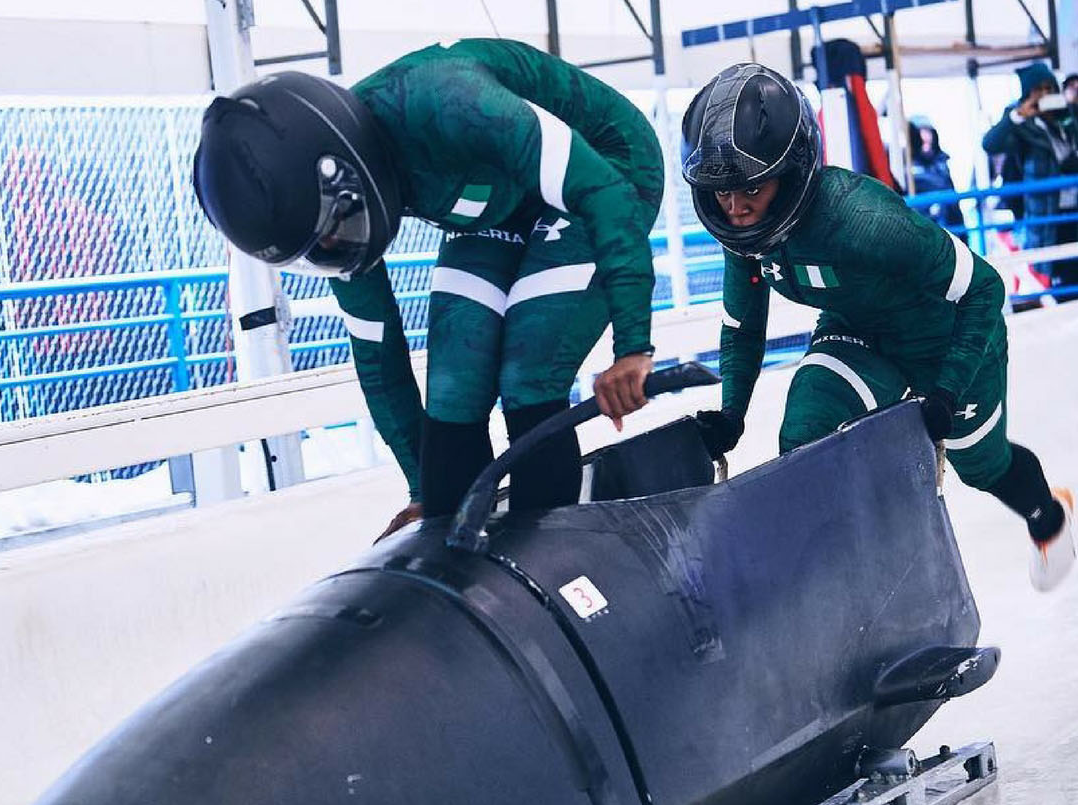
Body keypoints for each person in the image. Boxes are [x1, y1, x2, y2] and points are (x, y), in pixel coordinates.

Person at [193, 39, 663, 538]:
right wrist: (427, 492)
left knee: (529, 372)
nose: (335, 247)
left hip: (605, 169)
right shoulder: (334, 207)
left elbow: (604, 192)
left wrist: (632, 345)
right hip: (495, 200)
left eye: (336, 227)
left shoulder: (453, 104)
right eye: (316, 248)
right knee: (454, 384)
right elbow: (379, 355)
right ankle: (461, 554)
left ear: (342, 169)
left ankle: (550, 551)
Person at [672, 62, 1074, 591]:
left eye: (749, 186)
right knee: (804, 431)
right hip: (857, 332)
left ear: (792, 171)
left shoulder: (863, 220)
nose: (735, 206)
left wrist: (949, 387)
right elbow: (744, 325)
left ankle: (1050, 514)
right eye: (721, 190)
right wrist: (731, 414)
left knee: (984, 467)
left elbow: (985, 289)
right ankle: (837, 588)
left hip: (946, 339)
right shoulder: (741, 234)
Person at [982, 62, 1078, 297]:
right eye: (1039, 90)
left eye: (1049, 89)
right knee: (1059, 278)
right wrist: (1018, 114)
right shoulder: (1022, 126)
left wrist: (1066, 111)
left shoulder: (1066, 118)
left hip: (1074, 209)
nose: (1045, 95)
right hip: (1048, 215)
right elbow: (990, 144)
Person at [907, 117, 964, 235]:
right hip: (926, 228)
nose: (925, 137)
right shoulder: (907, 167)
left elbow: (952, 197)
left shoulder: (942, 163)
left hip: (951, 226)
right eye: (920, 133)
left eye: (927, 131)